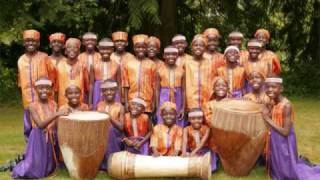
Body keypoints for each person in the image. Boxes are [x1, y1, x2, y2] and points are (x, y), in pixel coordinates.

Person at [263, 77, 320, 179]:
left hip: (284, 141)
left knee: (288, 170)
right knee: (278, 164)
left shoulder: (286, 105)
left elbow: (285, 132)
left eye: (274, 87)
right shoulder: (273, 102)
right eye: (267, 87)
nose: (270, 89)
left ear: (281, 89)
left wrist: (267, 119)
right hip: (276, 139)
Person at [12, 78, 69, 179]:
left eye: (47, 88)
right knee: (37, 171)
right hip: (38, 137)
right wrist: (57, 114)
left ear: (51, 90)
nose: (44, 91)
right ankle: (17, 166)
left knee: (48, 167)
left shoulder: (53, 104)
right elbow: (40, 125)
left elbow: (55, 122)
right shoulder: (32, 106)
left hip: (50, 136)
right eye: (41, 88)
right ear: (35, 89)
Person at [18, 29, 55, 141]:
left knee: (46, 126)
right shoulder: (20, 60)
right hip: (28, 100)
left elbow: (52, 77)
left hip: (44, 100)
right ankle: (30, 150)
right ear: (24, 43)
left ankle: (47, 149)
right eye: (28, 41)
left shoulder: (44, 57)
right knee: (28, 127)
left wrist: (50, 94)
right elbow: (20, 82)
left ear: (38, 43)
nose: (31, 43)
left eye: (34, 41)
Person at [122, 34, 157, 118]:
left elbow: (155, 86)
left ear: (146, 49)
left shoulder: (152, 64)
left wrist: (154, 102)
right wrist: (126, 102)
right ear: (134, 49)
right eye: (138, 47)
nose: (140, 49)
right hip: (132, 101)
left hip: (147, 100)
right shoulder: (128, 64)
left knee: (146, 123)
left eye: (143, 47)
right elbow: (126, 85)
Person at [184, 34, 217, 112]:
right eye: (196, 45)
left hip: (207, 99)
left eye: (201, 45)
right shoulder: (186, 63)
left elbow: (214, 81)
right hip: (191, 101)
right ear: (192, 47)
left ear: (205, 48)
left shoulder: (210, 63)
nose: (198, 47)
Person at [97, 80, 124, 171]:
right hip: (100, 134)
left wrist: (108, 116)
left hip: (115, 136)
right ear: (102, 92)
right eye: (106, 90)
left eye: (112, 90)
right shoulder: (99, 105)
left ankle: (112, 164)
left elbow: (121, 127)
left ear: (116, 91)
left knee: (110, 130)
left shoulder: (120, 106)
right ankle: (102, 164)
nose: (109, 92)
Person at [156, 46, 185, 126]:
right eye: (168, 54)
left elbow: (183, 90)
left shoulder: (182, 71)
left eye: (174, 54)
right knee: (163, 120)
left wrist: (183, 107)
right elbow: (157, 90)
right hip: (163, 97)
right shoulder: (160, 70)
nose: (171, 57)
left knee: (178, 120)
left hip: (178, 99)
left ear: (177, 56)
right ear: (164, 56)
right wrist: (158, 107)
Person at [55, 38, 89, 108]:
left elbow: (87, 88)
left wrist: (88, 102)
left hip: (80, 102)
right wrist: (55, 104)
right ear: (65, 51)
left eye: (75, 47)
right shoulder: (59, 66)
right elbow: (55, 88)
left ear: (79, 52)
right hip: (62, 102)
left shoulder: (83, 65)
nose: (72, 50)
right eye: (69, 47)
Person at [92, 38, 121, 110]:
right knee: (98, 111)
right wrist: (90, 101)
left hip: (113, 91)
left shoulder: (116, 65)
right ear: (98, 49)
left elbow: (119, 84)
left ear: (112, 49)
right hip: (97, 90)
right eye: (102, 49)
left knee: (114, 110)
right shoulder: (93, 65)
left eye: (108, 49)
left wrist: (119, 98)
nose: (105, 51)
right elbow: (91, 84)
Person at [78, 32, 101, 106]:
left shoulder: (100, 56)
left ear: (96, 42)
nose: (90, 42)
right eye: (87, 40)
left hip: (98, 90)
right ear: (83, 42)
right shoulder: (79, 57)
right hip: (82, 90)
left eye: (92, 40)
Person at [48, 32, 67, 101]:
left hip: (63, 92)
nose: (56, 44)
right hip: (49, 93)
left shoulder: (67, 61)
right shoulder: (45, 60)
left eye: (59, 42)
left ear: (63, 45)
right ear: (50, 45)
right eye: (54, 42)